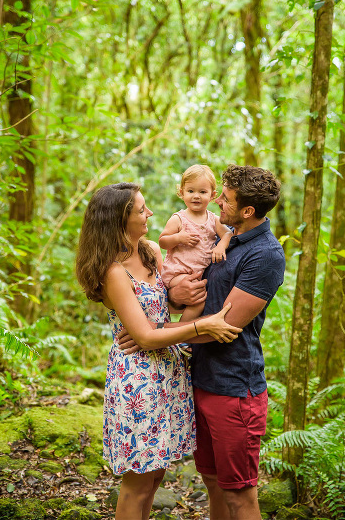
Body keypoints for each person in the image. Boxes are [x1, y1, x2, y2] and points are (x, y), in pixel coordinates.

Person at [75, 182, 243, 520]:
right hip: (137, 380)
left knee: (155, 475)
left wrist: (182, 296)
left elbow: (161, 314)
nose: (150, 213)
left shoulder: (151, 250)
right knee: (137, 482)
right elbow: (145, 336)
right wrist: (202, 327)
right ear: (118, 220)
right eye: (141, 210)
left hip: (167, 373)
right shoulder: (113, 271)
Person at [166, 164, 286, 520]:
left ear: (247, 211)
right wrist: (176, 292)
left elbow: (225, 326)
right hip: (202, 378)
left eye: (226, 198)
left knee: (239, 495)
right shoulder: (225, 238)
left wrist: (155, 334)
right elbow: (193, 294)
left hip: (234, 390)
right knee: (213, 482)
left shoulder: (264, 254)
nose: (217, 200)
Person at [159, 164, 233, 321]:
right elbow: (163, 241)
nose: (196, 196)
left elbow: (228, 233)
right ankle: (180, 334)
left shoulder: (213, 219)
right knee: (198, 302)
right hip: (178, 273)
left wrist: (221, 245)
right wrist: (178, 238)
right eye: (190, 191)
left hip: (198, 274)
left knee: (200, 301)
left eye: (202, 192)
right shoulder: (179, 219)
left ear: (213, 195)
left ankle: (181, 334)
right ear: (181, 192)